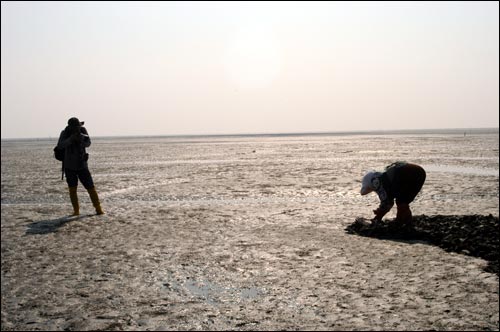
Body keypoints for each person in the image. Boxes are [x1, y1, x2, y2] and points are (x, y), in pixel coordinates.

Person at [57, 117, 104, 215]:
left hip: (82, 164)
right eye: (75, 127)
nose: (77, 129)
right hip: (69, 166)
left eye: (78, 127)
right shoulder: (64, 133)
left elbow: (88, 143)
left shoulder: (83, 131)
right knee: (72, 189)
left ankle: (98, 209)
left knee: (90, 187)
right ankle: (76, 211)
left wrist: (81, 140)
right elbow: (60, 145)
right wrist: (71, 139)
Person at [360, 161, 426, 226]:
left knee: (402, 203)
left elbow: (387, 203)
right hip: (419, 172)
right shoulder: (385, 177)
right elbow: (388, 202)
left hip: (406, 172)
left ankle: (405, 223)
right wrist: (381, 211)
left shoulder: (378, 182)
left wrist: (378, 217)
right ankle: (404, 222)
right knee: (403, 202)